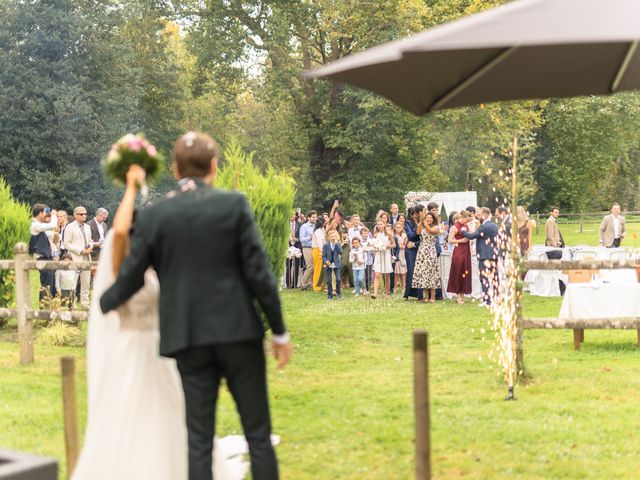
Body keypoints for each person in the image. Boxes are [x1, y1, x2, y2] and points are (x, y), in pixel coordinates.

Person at [100, 132, 292, 480]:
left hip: (188, 338)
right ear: (214, 167)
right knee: (258, 436)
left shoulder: (157, 214)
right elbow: (258, 274)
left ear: (174, 169)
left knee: (198, 441)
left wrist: (105, 301)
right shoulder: (234, 205)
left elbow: (132, 274)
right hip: (238, 333)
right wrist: (279, 331)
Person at [462, 207, 500, 307]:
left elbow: (471, 236)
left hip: (485, 256)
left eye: (479, 214)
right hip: (494, 255)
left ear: (485, 215)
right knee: (494, 278)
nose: (477, 216)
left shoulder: (484, 227)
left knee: (484, 278)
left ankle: (487, 301)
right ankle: (496, 299)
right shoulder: (494, 225)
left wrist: (463, 231)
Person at [64, 206, 94, 308]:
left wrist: (90, 246)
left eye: (85, 214)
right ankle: (72, 304)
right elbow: (66, 244)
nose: (84, 216)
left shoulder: (87, 227)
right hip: (75, 258)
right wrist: (81, 251)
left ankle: (85, 303)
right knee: (72, 283)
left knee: (86, 283)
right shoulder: (69, 227)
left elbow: (90, 240)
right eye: (81, 214)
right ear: (75, 215)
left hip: (87, 258)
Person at [29, 204, 58, 300]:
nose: (46, 215)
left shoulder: (37, 225)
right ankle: (44, 308)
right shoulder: (35, 225)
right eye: (45, 212)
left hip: (46, 258)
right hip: (42, 258)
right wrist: (53, 215)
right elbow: (53, 225)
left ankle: (46, 306)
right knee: (46, 285)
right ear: (41, 213)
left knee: (49, 284)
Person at [412, 211, 441, 303]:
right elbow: (418, 232)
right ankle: (425, 296)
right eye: (427, 217)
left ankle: (433, 296)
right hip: (422, 251)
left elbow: (430, 231)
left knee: (431, 272)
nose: (429, 219)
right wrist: (421, 220)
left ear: (433, 219)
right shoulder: (423, 225)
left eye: (430, 218)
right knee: (424, 272)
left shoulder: (436, 227)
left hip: (431, 250)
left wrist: (424, 220)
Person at [446, 211, 472, 304]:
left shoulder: (466, 226)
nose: (467, 222)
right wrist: (462, 240)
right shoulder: (454, 227)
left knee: (465, 272)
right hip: (458, 252)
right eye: (466, 220)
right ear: (462, 217)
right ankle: (458, 295)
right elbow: (450, 240)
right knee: (458, 272)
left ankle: (462, 294)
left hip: (466, 252)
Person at [403, 206, 424, 301]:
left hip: (420, 247)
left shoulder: (424, 221)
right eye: (416, 213)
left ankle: (419, 295)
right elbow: (410, 235)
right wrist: (419, 226)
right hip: (410, 249)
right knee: (411, 271)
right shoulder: (407, 223)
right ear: (412, 214)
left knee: (420, 271)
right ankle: (407, 294)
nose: (418, 214)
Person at [371, 220, 395, 299]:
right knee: (377, 274)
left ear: (384, 225)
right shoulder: (376, 234)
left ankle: (387, 293)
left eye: (381, 224)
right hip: (378, 255)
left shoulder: (388, 234)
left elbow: (394, 244)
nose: (380, 226)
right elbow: (373, 244)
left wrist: (388, 246)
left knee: (386, 275)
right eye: (378, 225)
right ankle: (375, 293)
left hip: (386, 255)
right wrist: (374, 247)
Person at [299, 210, 317, 290]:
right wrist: (310, 237)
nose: (315, 219)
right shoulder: (304, 226)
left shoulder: (316, 226)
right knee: (310, 266)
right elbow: (301, 239)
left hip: (315, 248)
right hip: (307, 248)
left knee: (315, 266)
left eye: (316, 217)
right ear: (308, 217)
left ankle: (313, 283)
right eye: (313, 217)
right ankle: (302, 284)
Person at [323, 230, 343, 300]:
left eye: (334, 236)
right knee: (329, 280)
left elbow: (340, 252)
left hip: (336, 264)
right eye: (331, 236)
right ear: (328, 238)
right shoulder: (325, 245)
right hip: (328, 264)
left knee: (338, 279)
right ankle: (330, 295)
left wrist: (337, 244)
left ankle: (339, 292)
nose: (333, 238)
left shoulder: (338, 244)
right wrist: (326, 261)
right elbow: (324, 256)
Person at [311, 217, 326, 292]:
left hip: (318, 250)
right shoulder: (318, 231)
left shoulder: (320, 230)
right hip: (318, 250)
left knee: (320, 269)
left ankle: (320, 285)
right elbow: (320, 242)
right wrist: (322, 251)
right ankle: (316, 286)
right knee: (317, 269)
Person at [393, 221, 408, 295]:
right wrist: (399, 246)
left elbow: (405, 246)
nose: (398, 229)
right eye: (397, 227)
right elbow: (395, 246)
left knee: (403, 272)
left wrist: (400, 246)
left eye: (399, 227)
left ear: (402, 228)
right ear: (394, 228)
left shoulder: (404, 235)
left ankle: (403, 287)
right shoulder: (394, 235)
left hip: (403, 254)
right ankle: (395, 288)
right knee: (396, 273)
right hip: (396, 254)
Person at [360, 226, 373, 294]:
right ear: (361, 234)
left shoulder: (370, 241)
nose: (365, 234)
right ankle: (362, 288)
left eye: (366, 233)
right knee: (362, 276)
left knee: (368, 276)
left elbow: (373, 251)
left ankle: (368, 289)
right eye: (364, 233)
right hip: (361, 261)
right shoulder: (359, 242)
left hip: (369, 260)